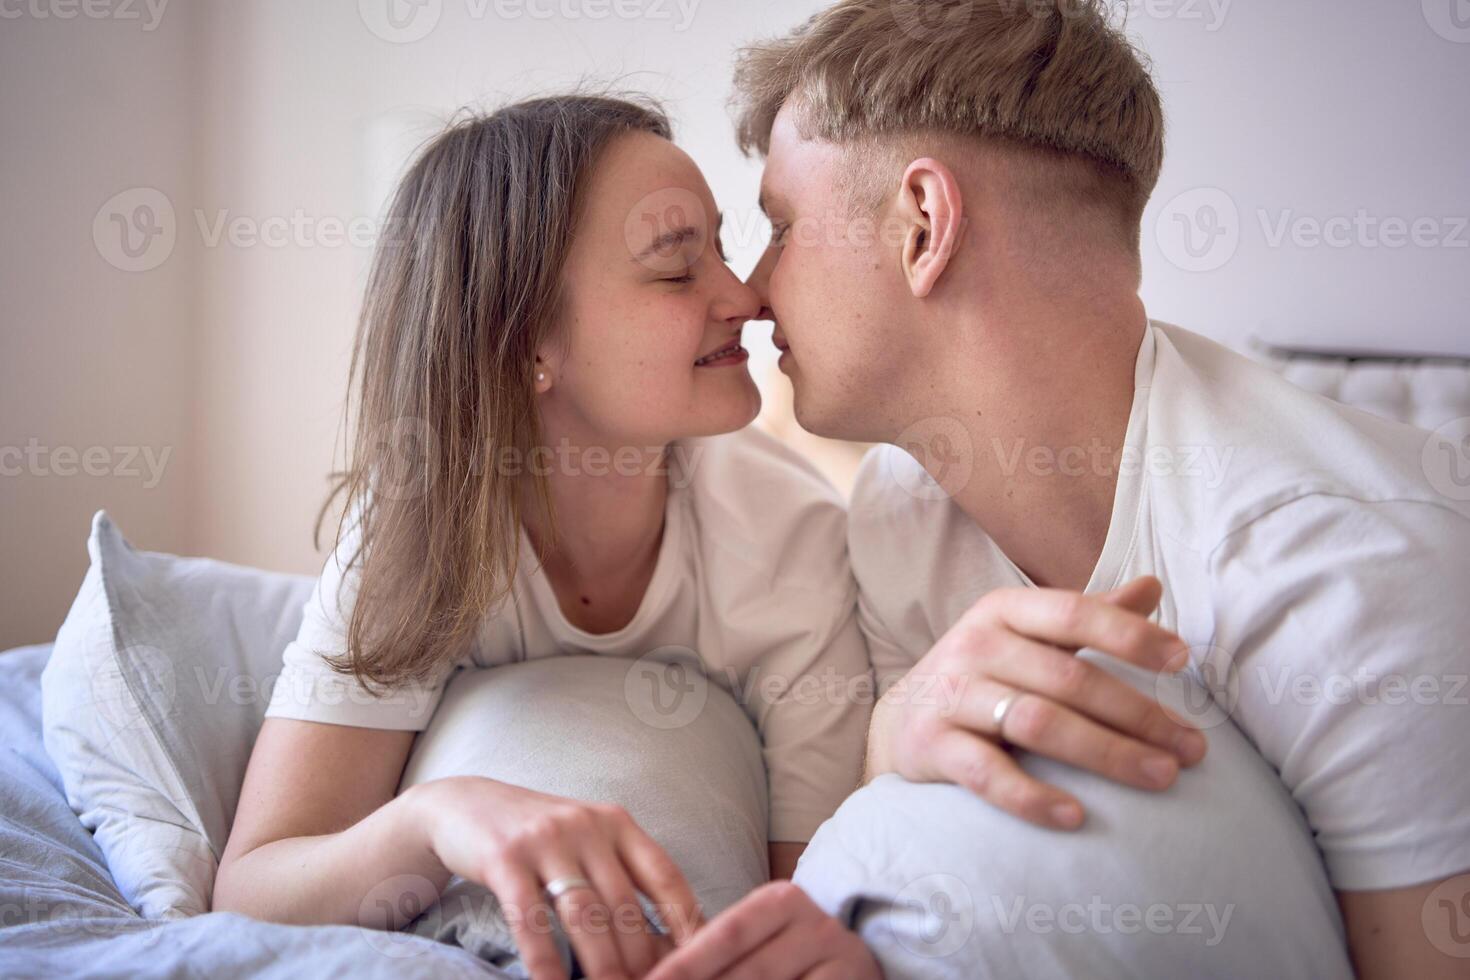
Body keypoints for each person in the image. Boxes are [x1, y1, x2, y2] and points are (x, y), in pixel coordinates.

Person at [646, 1, 1470, 978]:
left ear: (922, 225)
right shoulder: (903, 505)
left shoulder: (1342, 568)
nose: (752, 287)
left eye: (781, 227)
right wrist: (894, 722)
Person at [212, 95, 873, 980]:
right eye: (678, 271)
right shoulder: (418, 542)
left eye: (720, 247)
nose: (745, 295)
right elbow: (255, 886)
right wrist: (436, 819)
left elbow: (797, 901)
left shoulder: (795, 545)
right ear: (528, 344)